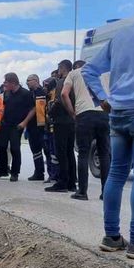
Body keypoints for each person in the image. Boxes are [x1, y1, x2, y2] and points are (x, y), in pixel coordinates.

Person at [82, 19, 134, 259]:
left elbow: (88, 69)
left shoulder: (121, 35)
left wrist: (103, 99)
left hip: (117, 112)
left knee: (116, 173)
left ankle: (112, 237)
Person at [61, 60, 110, 201]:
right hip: (103, 113)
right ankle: (105, 192)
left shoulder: (74, 73)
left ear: (78, 66)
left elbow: (64, 94)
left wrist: (72, 113)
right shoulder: (104, 74)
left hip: (84, 115)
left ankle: (82, 192)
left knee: (83, 153)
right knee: (104, 154)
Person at [0, 73, 35, 182]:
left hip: (17, 125)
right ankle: (3, 169)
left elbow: (33, 109)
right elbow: (3, 108)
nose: (4, 84)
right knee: (1, 147)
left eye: (6, 82)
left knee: (15, 148)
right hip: (5, 124)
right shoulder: (7, 93)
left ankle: (15, 172)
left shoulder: (26, 94)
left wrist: (24, 122)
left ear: (13, 82)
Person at [45, 60, 77, 193]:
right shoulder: (75, 81)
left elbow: (60, 100)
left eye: (59, 69)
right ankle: (71, 182)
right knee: (70, 152)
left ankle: (62, 182)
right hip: (72, 121)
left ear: (62, 69)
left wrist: (50, 113)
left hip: (61, 121)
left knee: (61, 152)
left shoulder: (62, 82)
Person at [25, 74, 47, 181]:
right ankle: (39, 172)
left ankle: (50, 173)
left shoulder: (41, 93)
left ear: (36, 80)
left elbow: (40, 110)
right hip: (31, 126)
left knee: (45, 149)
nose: (27, 83)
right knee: (35, 150)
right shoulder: (30, 94)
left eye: (29, 80)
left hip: (40, 127)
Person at [43, 73, 59, 183]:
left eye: (46, 85)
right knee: (49, 152)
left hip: (54, 129)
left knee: (54, 153)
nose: (44, 88)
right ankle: (52, 174)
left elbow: (51, 112)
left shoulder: (55, 96)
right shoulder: (47, 97)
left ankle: (55, 175)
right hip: (47, 129)